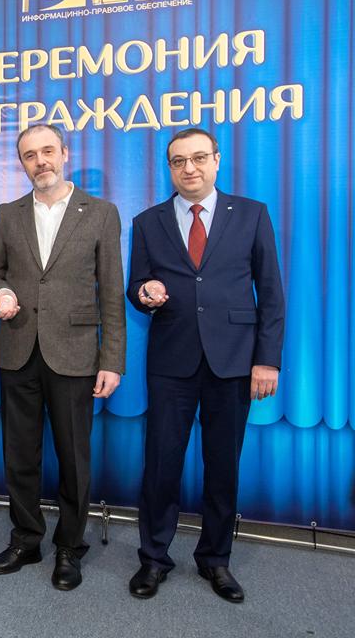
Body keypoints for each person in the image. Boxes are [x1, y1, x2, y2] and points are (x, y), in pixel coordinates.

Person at [126, 127, 285, 603]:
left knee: (222, 467)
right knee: (161, 465)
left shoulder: (251, 214)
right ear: (169, 168)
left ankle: (216, 559)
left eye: (198, 158)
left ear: (216, 160)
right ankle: (154, 559)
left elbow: (271, 292)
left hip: (233, 361)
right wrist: (144, 292)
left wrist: (267, 360)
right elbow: (136, 285)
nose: (189, 168)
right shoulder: (148, 221)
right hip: (171, 360)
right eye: (178, 161)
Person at [0, 123, 126, 590]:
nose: (40, 161)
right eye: (29, 155)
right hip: (18, 348)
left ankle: (70, 547)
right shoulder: (8, 214)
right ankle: (26, 539)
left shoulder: (101, 213)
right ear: (21, 163)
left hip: (76, 353)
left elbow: (112, 292)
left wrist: (112, 360)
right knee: (19, 453)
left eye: (47, 151)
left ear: (64, 153)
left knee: (73, 457)